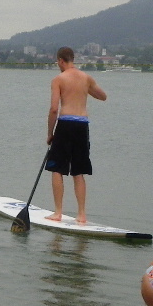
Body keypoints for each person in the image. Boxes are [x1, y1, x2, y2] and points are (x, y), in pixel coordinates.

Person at [44, 46, 107, 224]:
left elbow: (54, 109)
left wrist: (50, 133)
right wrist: (85, 89)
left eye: (58, 62)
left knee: (57, 169)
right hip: (82, 125)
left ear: (60, 61)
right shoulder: (86, 78)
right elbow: (103, 96)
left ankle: (58, 212)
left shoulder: (58, 79)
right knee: (78, 171)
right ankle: (81, 215)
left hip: (65, 124)